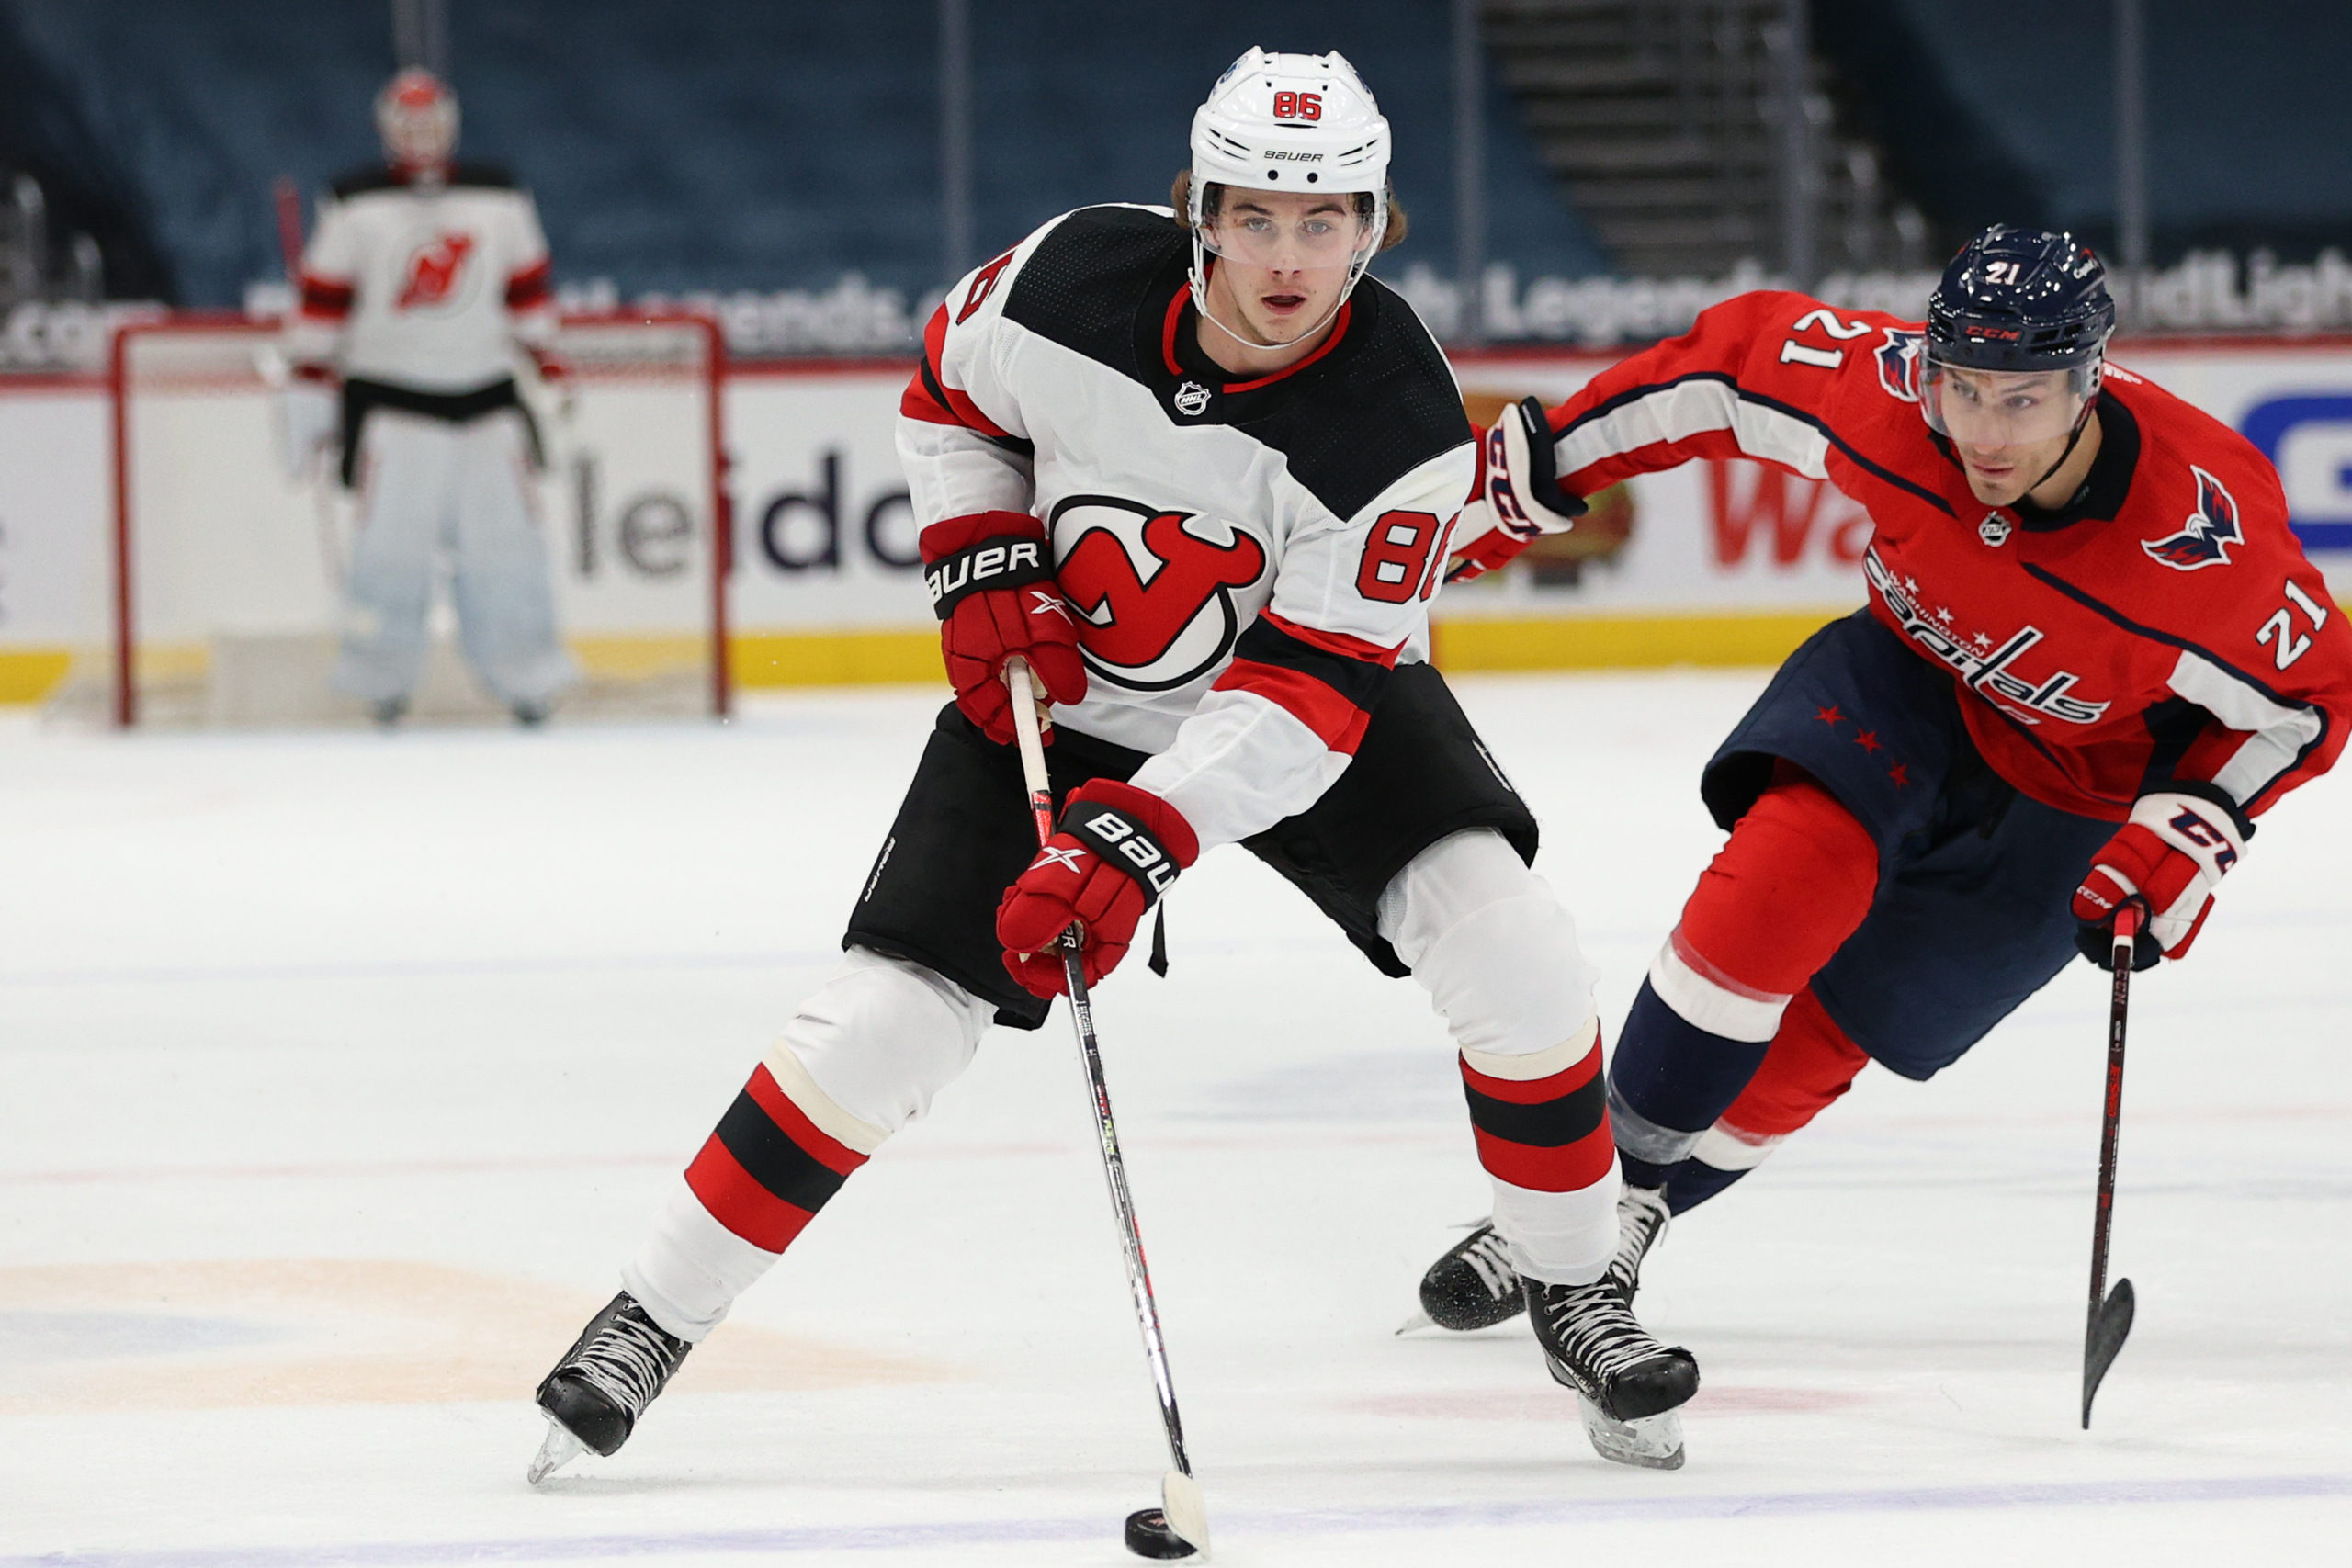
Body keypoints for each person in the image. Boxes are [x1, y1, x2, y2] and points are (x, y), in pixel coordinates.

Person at [529, 48, 1699, 1481]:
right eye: (1255, 215)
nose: (1287, 256)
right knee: (886, 1023)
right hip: (1065, 689)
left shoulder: (1398, 419)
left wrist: (1140, 837)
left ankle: (1574, 1274)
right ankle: (649, 1314)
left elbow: (1311, 692)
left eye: (1324, 219)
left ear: (1377, 225)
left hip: (1303, 696)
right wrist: (975, 553)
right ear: (1196, 207)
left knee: (1512, 943)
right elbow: (947, 398)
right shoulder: (1065, 276)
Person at [1410, 227, 2352, 1337]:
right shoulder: (1888, 397)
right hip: (1907, 683)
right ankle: (1567, 1218)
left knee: (1840, 1028)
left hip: (2081, 795)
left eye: (2023, 401)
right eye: (1963, 389)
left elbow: (2309, 701)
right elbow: (1724, 371)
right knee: (1772, 887)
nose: (1983, 433)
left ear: (2088, 384)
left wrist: (2188, 829)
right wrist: (1537, 468)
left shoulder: (2201, 543)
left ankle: (1623, 1221)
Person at [283, 67, 575, 726]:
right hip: (394, 408)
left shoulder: (499, 194)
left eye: (433, 121)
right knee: (389, 554)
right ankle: (380, 681)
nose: (422, 135)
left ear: (454, 123)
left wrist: (548, 362)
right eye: (408, 123)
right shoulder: (353, 200)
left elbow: (526, 287)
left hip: (489, 403)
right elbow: (322, 305)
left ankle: (529, 678)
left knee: (510, 549)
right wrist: (306, 391)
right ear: (386, 129)